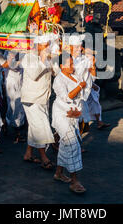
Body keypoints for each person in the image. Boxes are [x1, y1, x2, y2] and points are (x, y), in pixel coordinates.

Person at [21, 34, 57, 169]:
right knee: (41, 127)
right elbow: (34, 74)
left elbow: (55, 73)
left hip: (43, 97)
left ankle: (28, 153)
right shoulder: (28, 57)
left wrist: (54, 60)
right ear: (37, 46)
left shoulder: (47, 57)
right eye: (45, 45)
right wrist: (43, 58)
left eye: (48, 44)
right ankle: (44, 157)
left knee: (34, 127)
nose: (47, 47)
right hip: (31, 98)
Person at [52, 54, 86, 193]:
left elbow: (80, 97)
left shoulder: (75, 76)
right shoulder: (58, 80)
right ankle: (75, 181)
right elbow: (67, 97)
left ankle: (59, 173)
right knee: (73, 144)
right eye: (69, 64)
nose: (72, 67)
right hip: (61, 115)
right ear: (61, 66)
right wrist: (80, 86)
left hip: (73, 115)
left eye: (73, 64)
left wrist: (78, 112)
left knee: (66, 145)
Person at [68, 34, 93, 134]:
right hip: (69, 93)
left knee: (81, 121)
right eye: (77, 47)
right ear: (70, 47)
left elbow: (88, 78)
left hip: (81, 94)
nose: (80, 49)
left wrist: (84, 93)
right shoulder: (65, 59)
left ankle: (78, 144)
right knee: (69, 121)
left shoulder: (85, 60)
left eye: (80, 46)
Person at [4, 51, 27, 144]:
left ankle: (18, 130)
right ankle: (16, 132)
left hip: (21, 82)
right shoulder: (8, 52)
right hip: (11, 83)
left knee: (21, 107)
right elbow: (12, 66)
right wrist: (19, 58)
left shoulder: (23, 52)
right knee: (14, 107)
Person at [84, 48, 110, 130]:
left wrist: (93, 66)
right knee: (84, 106)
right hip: (83, 88)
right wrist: (91, 85)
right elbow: (82, 78)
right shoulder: (81, 63)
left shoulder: (92, 65)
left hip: (90, 86)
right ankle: (85, 125)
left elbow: (93, 77)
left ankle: (99, 122)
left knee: (95, 104)